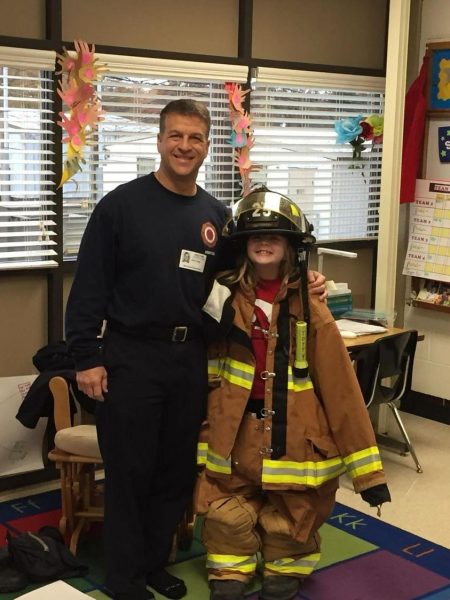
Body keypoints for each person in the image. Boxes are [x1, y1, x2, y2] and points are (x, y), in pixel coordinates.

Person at [65, 99, 327, 600]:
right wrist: (86, 357)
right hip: (130, 356)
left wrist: (304, 279)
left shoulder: (216, 216)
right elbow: (89, 288)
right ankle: (123, 580)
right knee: (131, 472)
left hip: (188, 362)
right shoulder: (120, 206)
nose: (185, 146)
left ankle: (152, 563)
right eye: (176, 136)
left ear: (207, 146)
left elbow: (249, 274)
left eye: (195, 138)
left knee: (174, 471)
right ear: (160, 141)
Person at [195, 187, 391, 600]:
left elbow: (342, 392)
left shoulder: (311, 305)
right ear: (243, 246)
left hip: (295, 433)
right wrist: (206, 426)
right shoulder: (223, 296)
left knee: (295, 507)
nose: (265, 244)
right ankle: (231, 567)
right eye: (255, 237)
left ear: (290, 247)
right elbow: (208, 366)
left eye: (275, 237)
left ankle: (285, 565)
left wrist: (368, 474)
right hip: (235, 429)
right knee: (225, 504)